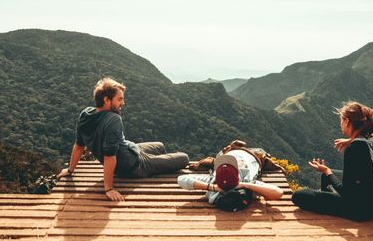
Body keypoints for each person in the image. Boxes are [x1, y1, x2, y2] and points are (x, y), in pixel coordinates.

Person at [57, 77, 189, 201]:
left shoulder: (86, 114)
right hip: (133, 166)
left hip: (130, 150)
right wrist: (109, 188)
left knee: (159, 146)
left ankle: (161, 163)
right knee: (184, 158)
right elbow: (109, 156)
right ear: (106, 100)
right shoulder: (113, 119)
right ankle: (159, 164)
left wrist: (70, 170)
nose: (123, 103)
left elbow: (79, 145)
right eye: (119, 99)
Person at [292, 101, 373, 222]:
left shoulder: (353, 150)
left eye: (341, 120)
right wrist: (350, 140)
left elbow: (346, 192)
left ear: (347, 121)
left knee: (299, 196)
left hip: (363, 210)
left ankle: (334, 207)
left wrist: (327, 171)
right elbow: (364, 142)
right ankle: (332, 204)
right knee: (326, 177)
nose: (341, 124)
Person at [177, 145, 283, 209]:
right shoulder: (246, 180)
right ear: (237, 176)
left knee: (223, 151)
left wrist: (212, 187)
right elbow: (278, 193)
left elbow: (181, 179)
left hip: (228, 153)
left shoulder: (213, 182)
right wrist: (244, 185)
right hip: (251, 155)